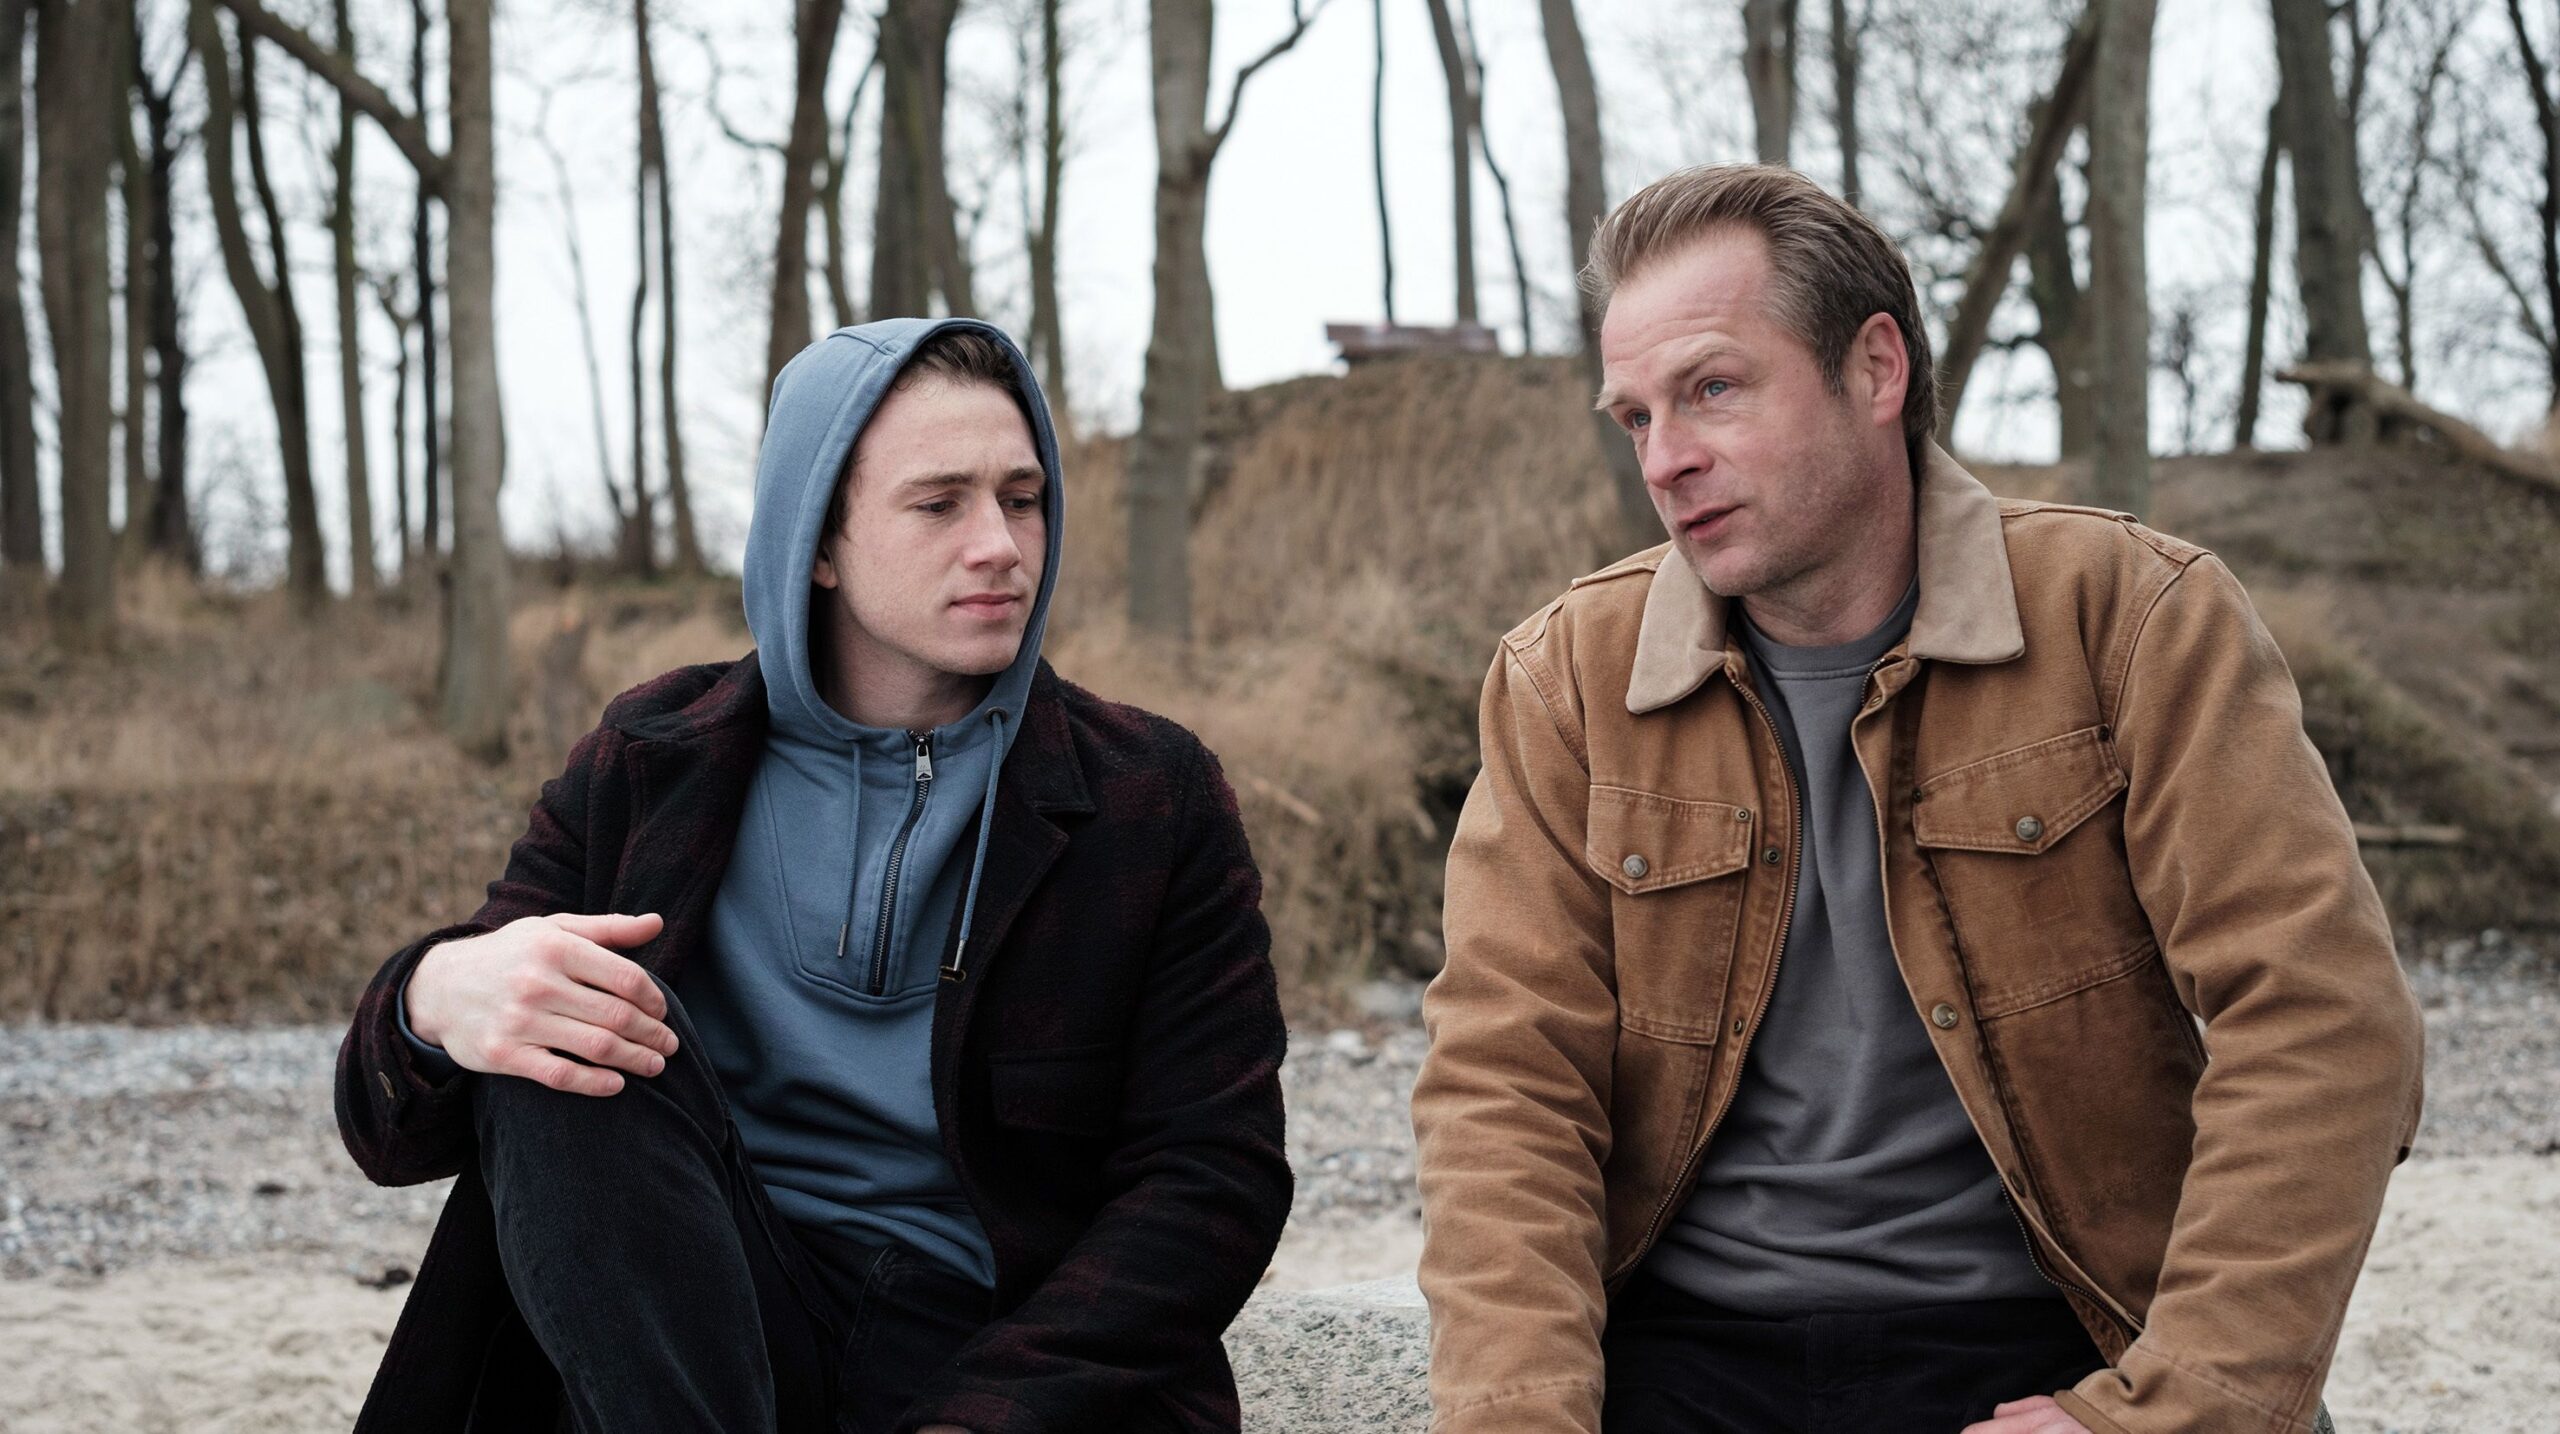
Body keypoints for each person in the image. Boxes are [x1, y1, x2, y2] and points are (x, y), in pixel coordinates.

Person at [1410, 165, 2422, 1434]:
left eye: (1713, 389)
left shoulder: (2129, 617)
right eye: (1635, 417)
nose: (1666, 460)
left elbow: (2323, 1019)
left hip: (2061, 1331)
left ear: (1875, 369)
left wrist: (2170, 1409)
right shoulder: (1567, 677)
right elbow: (1506, 1084)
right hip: (1681, 1351)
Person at [335, 318, 1291, 1434]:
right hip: (696, 1344)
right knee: (559, 1025)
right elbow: (390, 1133)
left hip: (993, 1357)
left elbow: (1211, 1177)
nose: (1000, 545)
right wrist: (435, 995)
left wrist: (980, 1423)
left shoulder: (1148, 794)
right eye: (939, 505)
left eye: (1022, 499)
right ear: (818, 542)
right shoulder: (652, 760)